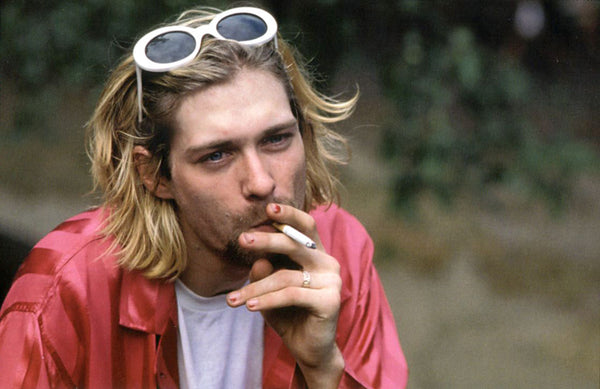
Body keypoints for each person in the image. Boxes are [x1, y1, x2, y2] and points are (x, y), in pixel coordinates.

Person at [0, 5, 407, 388]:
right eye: (217, 155)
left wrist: (322, 370)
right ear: (155, 175)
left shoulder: (340, 254)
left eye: (277, 139)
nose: (261, 182)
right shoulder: (66, 289)